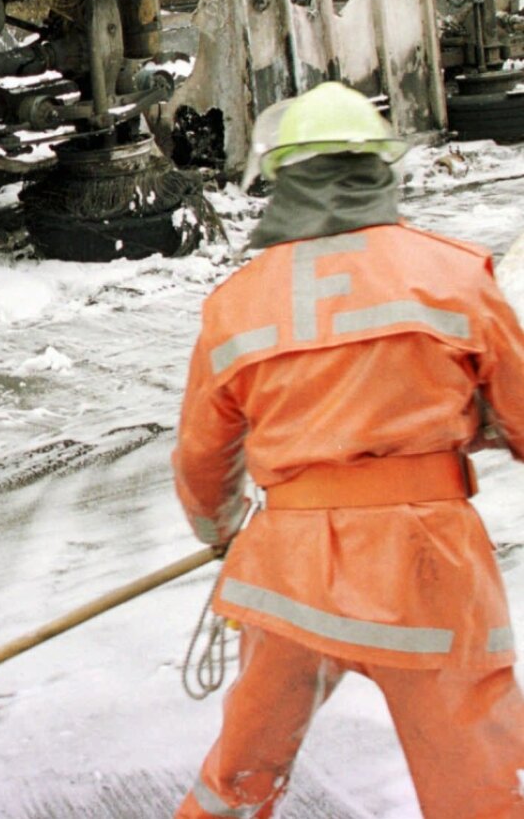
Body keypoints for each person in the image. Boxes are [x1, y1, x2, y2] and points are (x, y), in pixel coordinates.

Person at [173, 81, 524, 818]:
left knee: (240, 770)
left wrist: (222, 532)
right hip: (427, 573)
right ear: (379, 171)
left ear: (281, 181)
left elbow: (206, 459)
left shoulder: (234, 302)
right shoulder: (454, 275)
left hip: (289, 575)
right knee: (478, 786)